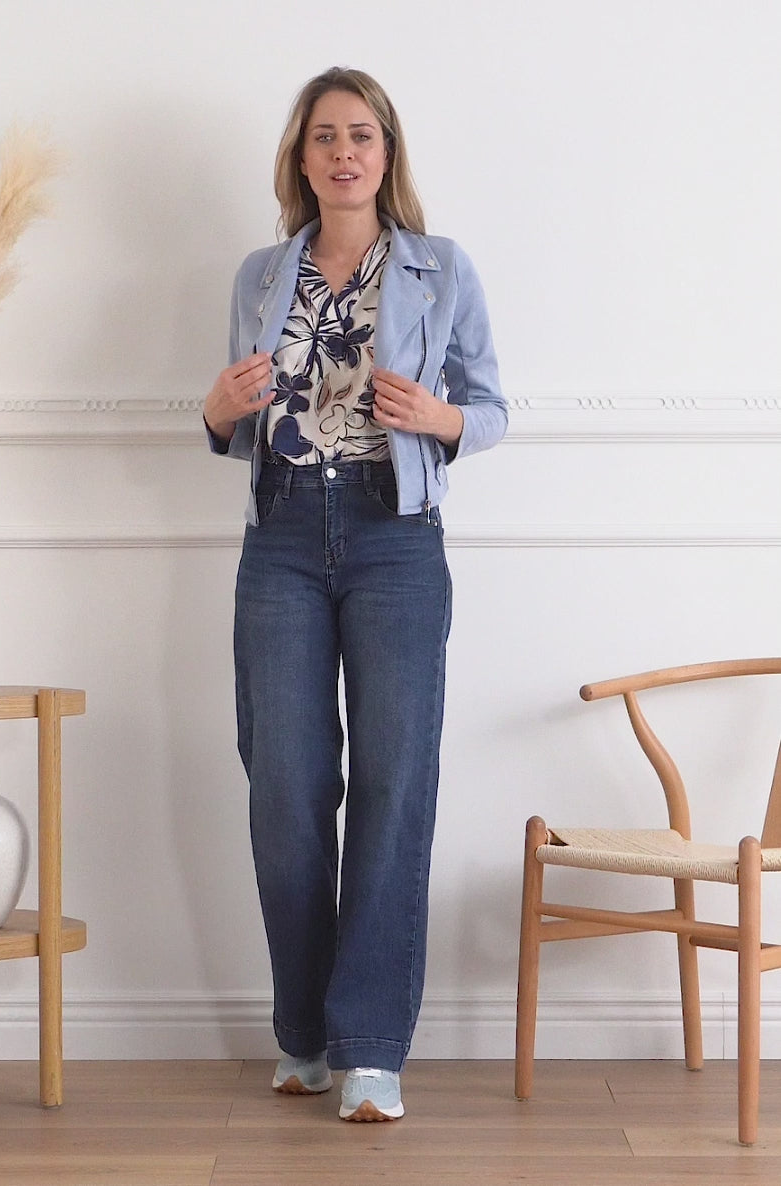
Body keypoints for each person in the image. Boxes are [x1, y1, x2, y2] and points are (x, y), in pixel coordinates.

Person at [203, 66, 507, 1122]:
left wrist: (442, 419)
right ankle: (305, 1035)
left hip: (395, 535)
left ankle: (371, 1047)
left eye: (362, 135)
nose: (344, 153)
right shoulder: (259, 274)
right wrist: (216, 410)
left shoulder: (440, 266)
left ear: (386, 153)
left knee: (392, 782)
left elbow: (491, 406)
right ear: (302, 156)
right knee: (285, 787)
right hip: (282, 533)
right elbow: (237, 419)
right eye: (326, 136)